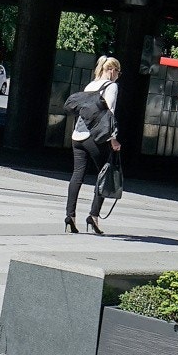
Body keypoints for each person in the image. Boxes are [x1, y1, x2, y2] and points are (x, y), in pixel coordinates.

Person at [64, 55, 121, 236]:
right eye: (118, 71)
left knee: (77, 174)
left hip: (77, 136)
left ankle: (70, 216)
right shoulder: (111, 86)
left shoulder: (90, 86)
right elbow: (109, 114)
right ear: (111, 70)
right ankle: (93, 216)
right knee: (105, 173)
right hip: (94, 137)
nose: (118, 75)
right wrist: (113, 139)